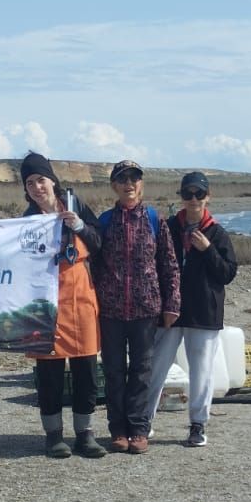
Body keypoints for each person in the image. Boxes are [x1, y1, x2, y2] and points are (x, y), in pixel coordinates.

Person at [19, 152, 106, 459]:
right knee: (50, 373)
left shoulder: (76, 205)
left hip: (81, 298)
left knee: (86, 370)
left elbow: (99, 243)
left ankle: (85, 433)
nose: (37, 187)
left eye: (41, 180)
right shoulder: (26, 222)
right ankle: (53, 434)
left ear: (52, 181)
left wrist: (81, 226)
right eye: (30, 183)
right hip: (46, 303)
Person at [144, 171, 237, 448]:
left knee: (202, 372)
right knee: (156, 366)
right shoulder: (169, 227)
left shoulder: (217, 233)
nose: (193, 199)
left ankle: (198, 425)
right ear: (181, 197)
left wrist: (208, 249)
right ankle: (143, 421)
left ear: (208, 197)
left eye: (199, 194)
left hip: (204, 313)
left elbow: (228, 273)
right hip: (170, 311)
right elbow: (155, 262)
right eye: (188, 194)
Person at [92, 160, 179, 454]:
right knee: (114, 371)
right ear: (114, 186)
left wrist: (172, 304)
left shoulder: (155, 220)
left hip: (146, 309)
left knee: (142, 371)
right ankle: (117, 429)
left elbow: (168, 264)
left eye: (134, 179)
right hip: (111, 311)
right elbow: (93, 265)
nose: (129, 184)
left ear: (141, 184)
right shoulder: (104, 221)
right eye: (123, 179)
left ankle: (139, 429)